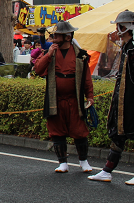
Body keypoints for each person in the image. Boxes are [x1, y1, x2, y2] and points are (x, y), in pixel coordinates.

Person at [89, 11, 134, 185]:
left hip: (133, 100)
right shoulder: (127, 46)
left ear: (125, 28)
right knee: (118, 135)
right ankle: (107, 171)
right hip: (123, 99)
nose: (117, 30)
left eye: (119, 27)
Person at [33, 21, 94, 174]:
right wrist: (48, 55)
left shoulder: (81, 54)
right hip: (56, 99)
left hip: (75, 99)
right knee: (57, 131)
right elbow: (38, 70)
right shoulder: (50, 52)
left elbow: (87, 78)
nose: (53, 38)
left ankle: (83, 161)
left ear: (67, 37)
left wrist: (90, 97)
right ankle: (63, 163)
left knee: (79, 130)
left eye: (57, 35)